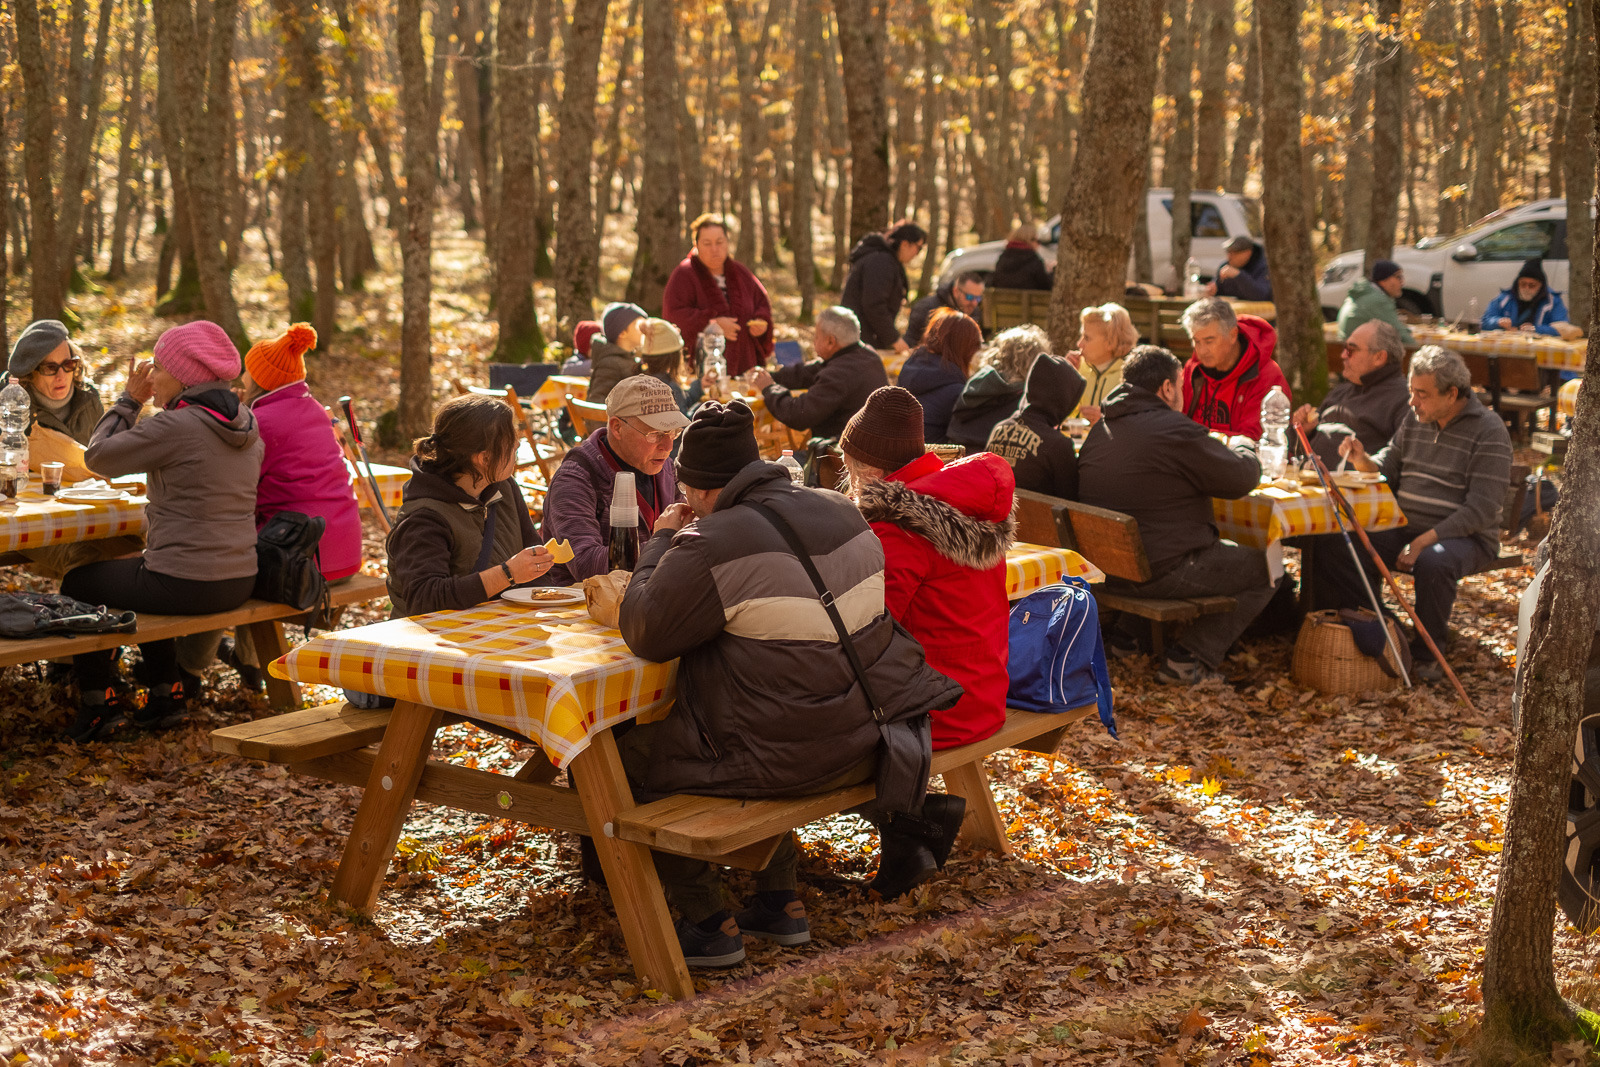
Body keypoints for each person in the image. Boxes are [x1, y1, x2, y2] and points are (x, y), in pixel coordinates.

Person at [618, 401, 964, 966]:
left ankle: (707, 922)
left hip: (788, 758)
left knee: (624, 755)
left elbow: (645, 631)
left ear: (698, 488)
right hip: (864, 739)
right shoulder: (842, 509)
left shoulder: (710, 540)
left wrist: (660, 541)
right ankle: (779, 902)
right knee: (765, 710)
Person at [60, 321, 264, 741]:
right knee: (138, 570)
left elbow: (97, 456)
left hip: (187, 582)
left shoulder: (178, 425)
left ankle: (99, 704)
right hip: (240, 579)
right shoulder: (244, 419)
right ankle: (165, 692)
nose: (151, 376)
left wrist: (129, 400)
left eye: (158, 367)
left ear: (185, 378)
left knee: (77, 583)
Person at [1077, 345, 1278, 684]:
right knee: (1271, 567)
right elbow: (1241, 478)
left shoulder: (1102, 428)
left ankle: (1128, 638)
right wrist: (1244, 444)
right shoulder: (1174, 429)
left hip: (1110, 569)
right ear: (1167, 388)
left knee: (1151, 538)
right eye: (1182, 386)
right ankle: (1191, 656)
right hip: (1161, 571)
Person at [1312, 346, 1513, 681]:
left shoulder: (1488, 430)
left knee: (1434, 562)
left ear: (1452, 394)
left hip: (1465, 537)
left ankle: (1427, 654)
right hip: (1406, 527)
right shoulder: (1416, 418)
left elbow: (1482, 509)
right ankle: (1384, 626)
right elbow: (1386, 465)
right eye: (1411, 391)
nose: (1412, 402)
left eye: (1422, 394)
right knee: (1338, 543)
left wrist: (1423, 541)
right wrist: (1362, 459)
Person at [842, 386, 1017, 749]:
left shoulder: (898, 527)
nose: (850, 483)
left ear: (872, 471)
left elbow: (870, 630)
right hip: (982, 696)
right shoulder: (960, 500)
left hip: (933, 712)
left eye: (850, 470)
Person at [385, 394, 552, 617]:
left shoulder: (504, 487)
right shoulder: (424, 517)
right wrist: (508, 574)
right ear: (483, 459)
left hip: (502, 627)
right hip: (437, 635)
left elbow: (536, 564)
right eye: (511, 445)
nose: (517, 444)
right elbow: (425, 599)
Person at [242, 323, 362, 582]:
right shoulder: (316, 409)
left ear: (260, 380)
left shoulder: (261, 422)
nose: (242, 377)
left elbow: (239, 488)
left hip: (298, 561)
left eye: (247, 371)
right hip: (346, 557)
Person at [540, 375, 688, 583]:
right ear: (617, 427)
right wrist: (665, 541)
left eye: (673, 432)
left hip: (648, 592)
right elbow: (586, 564)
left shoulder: (663, 466)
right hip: (581, 600)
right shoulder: (575, 479)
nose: (668, 446)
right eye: (655, 434)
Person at [747, 307, 889, 442]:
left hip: (839, 453)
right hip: (870, 444)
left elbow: (798, 414)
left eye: (816, 336)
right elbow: (809, 371)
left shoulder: (839, 373)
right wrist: (771, 376)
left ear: (830, 341)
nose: (814, 341)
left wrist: (769, 387)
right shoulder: (868, 355)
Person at [662, 213, 775, 376]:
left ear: (727, 242)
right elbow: (673, 316)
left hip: (745, 369)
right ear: (696, 244)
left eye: (719, 242)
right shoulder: (683, 275)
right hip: (702, 372)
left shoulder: (741, 273)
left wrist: (762, 323)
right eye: (707, 243)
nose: (714, 249)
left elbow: (762, 305)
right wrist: (712, 324)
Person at [1293, 320, 1411, 468]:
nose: (1343, 355)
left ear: (1379, 357)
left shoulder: (1404, 398)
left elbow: (1397, 462)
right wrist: (1305, 432)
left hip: (1357, 480)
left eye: (1350, 350)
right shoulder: (1341, 391)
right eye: (1344, 349)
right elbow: (1296, 450)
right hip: (1310, 476)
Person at [1179, 296, 1290, 438]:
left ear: (1232, 335)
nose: (1202, 350)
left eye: (1209, 341)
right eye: (1196, 341)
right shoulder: (1192, 369)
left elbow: (1253, 440)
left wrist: (1197, 438)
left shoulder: (1266, 375)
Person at [986, 354, 1086, 500]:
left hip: (996, 513)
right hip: (1040, 515)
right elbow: (1071, 500)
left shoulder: (999, 428)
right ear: (1063, 399)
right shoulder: (1058, 445)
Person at [946, 324, 1050, 451]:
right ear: (1035, 363)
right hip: (992, 459)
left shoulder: (977, 383)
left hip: (957, 457)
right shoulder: (1024, 398)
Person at [7, 319, 103, 444]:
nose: (61, 376)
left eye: (68, 364)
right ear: (29, 373)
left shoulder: (90, 400)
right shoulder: (10, 410)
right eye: (50, 368)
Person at [896, 308, 983, 444]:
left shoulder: (909, 369)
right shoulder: (957, 393)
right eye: (975, 346)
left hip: (899, 453)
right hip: (931, 456)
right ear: (964, 348)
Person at [840, 221, 927, 353]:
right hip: (859, 339)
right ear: (905, 244)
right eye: (918, 248)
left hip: (863, 337)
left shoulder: (887, 261)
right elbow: (874, 304)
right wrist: (894, 339)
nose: (917, 254)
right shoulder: (881, 262)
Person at [1068, 303, 1138, 422]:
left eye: (1087, 338)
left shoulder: (1129, 379)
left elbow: (1134, 425)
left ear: (1111, 342)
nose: (1079, 344)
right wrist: (1065, 376)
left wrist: (1105, 421)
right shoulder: (1077, 368)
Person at [1482, 257, 1570, 336]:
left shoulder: (1553, 301)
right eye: (1523, 284)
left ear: (1541, 286)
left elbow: (1562, 328)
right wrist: (1498, 322)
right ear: (1517, 283)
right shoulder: (1504, 298)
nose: (1526, 288)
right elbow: (1484, 321)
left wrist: (1536, 329)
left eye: (1532, 285)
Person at [1337, 259, 1415, 345]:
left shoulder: (1363, 295)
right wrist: (1418, 348)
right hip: (1359, 349)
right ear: (1384, 280)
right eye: (1398, 277)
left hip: (1347, 347)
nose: (1402, 282)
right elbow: (1400, 335)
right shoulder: (1378, 301)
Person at [588, 302, 649, 405]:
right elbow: (597, 401)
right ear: (622, 333)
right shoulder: (610, 364)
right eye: (639, 326)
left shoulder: (632, 360)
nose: (644, 330)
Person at [905, 270, 984, 347]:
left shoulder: (972, 310)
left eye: (978, 298)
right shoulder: (925, 308)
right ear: (956, 291)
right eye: (970, 297)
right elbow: (911, 342)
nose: (974, 303)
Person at [636, 318, 690, 413]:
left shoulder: (639, 381)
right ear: (674, 357)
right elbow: (684, 420)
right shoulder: (670, 388)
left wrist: (699, 386)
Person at [987, 221, 1053, 290]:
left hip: (1003, 297)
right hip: (1030, 297)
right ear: (1030, 241)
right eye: (1038, 241)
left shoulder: (1003, 258)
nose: (1039, 244)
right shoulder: (1034, 261)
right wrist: (1049, 272)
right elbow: (1046, 286)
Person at [1206, 235, 1272, 301]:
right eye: (1228, 252)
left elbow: (1262, 296)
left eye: (1234, 253)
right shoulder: (1226, 266)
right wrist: (1214, 289)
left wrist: (1238, 275)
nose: (1229, 257)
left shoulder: (1265, 267)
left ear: (1248, 253)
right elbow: (1219, 288)